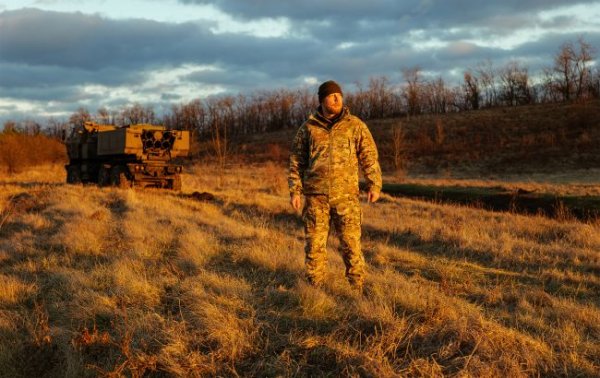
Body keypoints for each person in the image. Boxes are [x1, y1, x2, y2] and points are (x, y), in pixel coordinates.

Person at [288, 80, 382, 292]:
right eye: (332, 96)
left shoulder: (355, 125)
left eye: (339, 95)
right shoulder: (308, 129)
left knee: (351, 246)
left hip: (346, 197)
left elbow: (369, 155)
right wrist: (295, 190)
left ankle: (357, 289)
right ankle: (316, 290)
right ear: (322, 100)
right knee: (315, 246)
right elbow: (296, 161)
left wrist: (374, 184)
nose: (337, 99)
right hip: (316, 198)